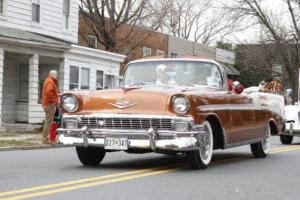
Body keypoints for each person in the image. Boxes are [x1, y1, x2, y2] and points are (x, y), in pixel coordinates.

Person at [42, 70, 60, 145]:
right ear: (52, 74)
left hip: (48, 104)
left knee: (49, 122)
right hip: (49, 104)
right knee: (48, 122)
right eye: (56, 75)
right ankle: (45, 139)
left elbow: (51, 92)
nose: (57, 76)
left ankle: (50, 138)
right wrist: (54, 101)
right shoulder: (50, 81)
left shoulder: (49, 81)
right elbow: (49, 92)